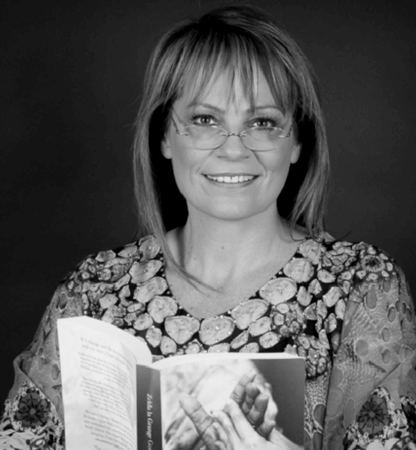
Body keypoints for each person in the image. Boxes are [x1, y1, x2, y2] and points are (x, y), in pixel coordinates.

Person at [0, 5, 415, 450]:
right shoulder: (94, 291)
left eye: (262, 123)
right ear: (164, 136)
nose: (233, 150)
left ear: (296, 142)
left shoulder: (360, 289)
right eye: (205, 120)